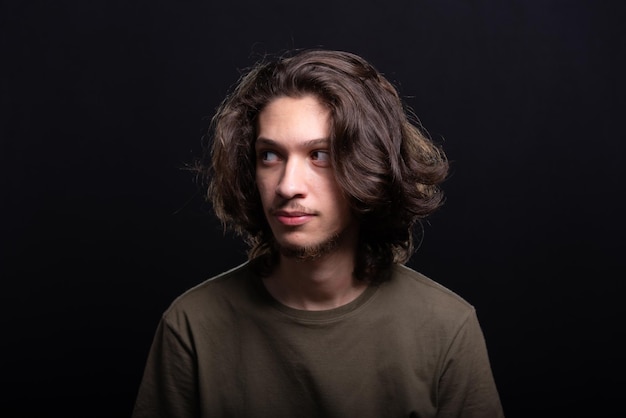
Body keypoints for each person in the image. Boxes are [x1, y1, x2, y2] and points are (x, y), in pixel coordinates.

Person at [132, 48, 504, 418]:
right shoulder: (192, 326)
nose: (287, 186)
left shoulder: (445, 328)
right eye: (270, 156)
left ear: (369, 167)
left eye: (320, 155)